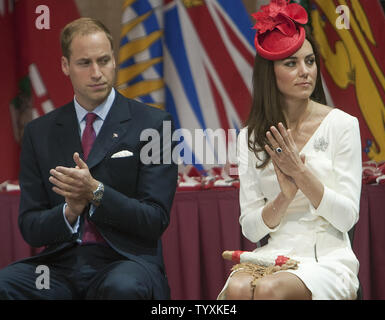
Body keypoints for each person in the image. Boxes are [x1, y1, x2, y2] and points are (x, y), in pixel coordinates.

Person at [0, 17, 177, 299]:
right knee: (5, 284)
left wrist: (96, 192)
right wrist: (69, 211)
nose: (97, 72)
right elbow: (31, 227)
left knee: (122, 287)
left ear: (114, 61)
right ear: (65, 66)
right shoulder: (39, 132)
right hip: (59, 266)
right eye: (85, 63)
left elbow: (154, 218)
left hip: (125, 260)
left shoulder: (154, 124)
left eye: (104, 60)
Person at [218, 0, 362, 300]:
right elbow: (251, 230)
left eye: (309, 61)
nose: (305, 71)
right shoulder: (249, 137)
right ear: (270, 72)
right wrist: (284, 197)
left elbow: (348, 218)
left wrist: (301, 175)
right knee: (238, 287)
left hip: (327, 256)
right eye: (291, 63)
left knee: (271, 289)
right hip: (274, 253)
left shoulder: (342, 125)